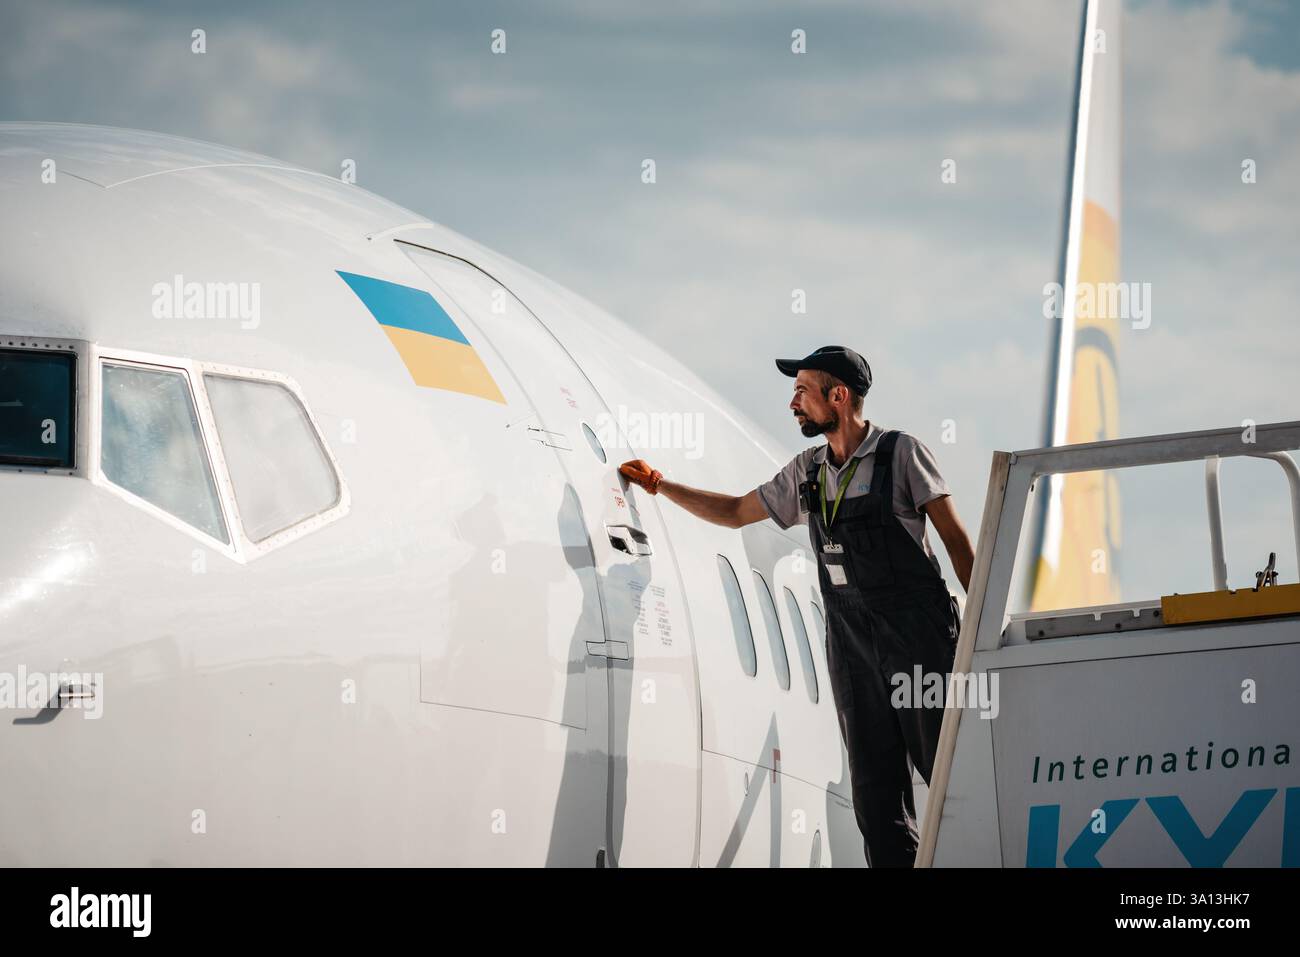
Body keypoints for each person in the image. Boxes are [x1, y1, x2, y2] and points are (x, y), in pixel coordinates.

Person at [618, 344, 975, 867]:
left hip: (917, 638)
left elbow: (957, 542)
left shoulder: (902, 455)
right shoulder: (807, 472)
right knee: (876, 798)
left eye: (802, 392)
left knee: (949, 779)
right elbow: (738, 511)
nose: (793, 404)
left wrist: (984, 634)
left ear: (839, 396)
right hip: (852, 647)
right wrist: (661, 486)